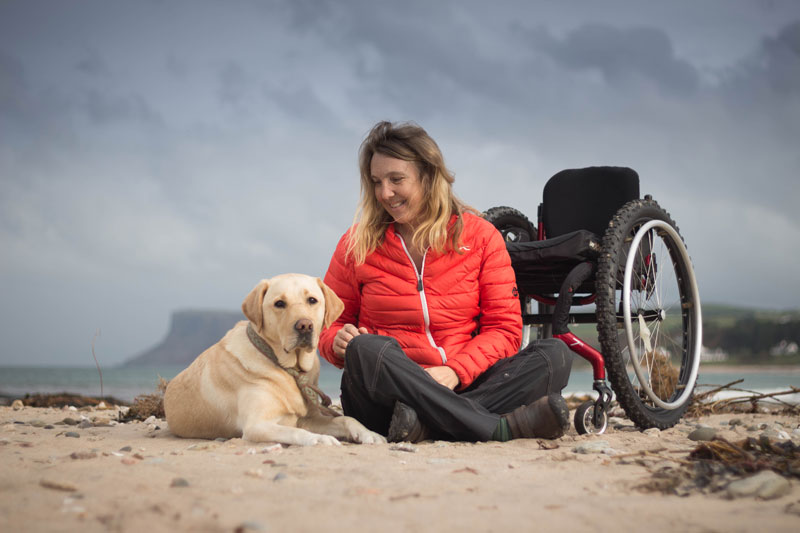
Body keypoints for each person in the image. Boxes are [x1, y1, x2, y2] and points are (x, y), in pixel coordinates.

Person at [318, 120, 572, 442]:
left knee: (554, 355)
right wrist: (337, 341)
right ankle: (496, 427)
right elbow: (329, 323)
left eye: (396, 179)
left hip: (462, 380)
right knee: (366, 348)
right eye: (377, 182)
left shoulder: (480, 237)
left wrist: (454, 371)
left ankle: (424, 425)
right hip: (384, 395)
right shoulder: (356, 244)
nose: (385, 193)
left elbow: (504, 330)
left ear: (428, 176)